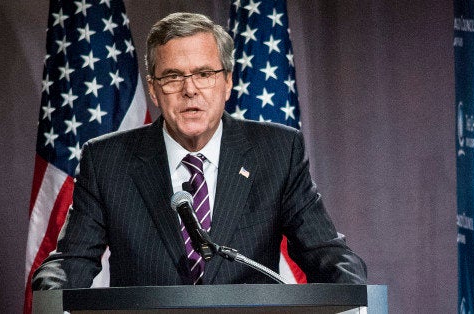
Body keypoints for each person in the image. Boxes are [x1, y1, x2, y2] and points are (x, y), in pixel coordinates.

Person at [32, 12, 366, 290]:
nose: (190, 89)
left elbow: (328, 255)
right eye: (173, 77)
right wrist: (50, 292)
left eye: (204, 74)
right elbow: (70, 263)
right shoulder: (107, 161)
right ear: (153, 88)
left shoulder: (278, 151)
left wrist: (355, 301)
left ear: (228, 81)